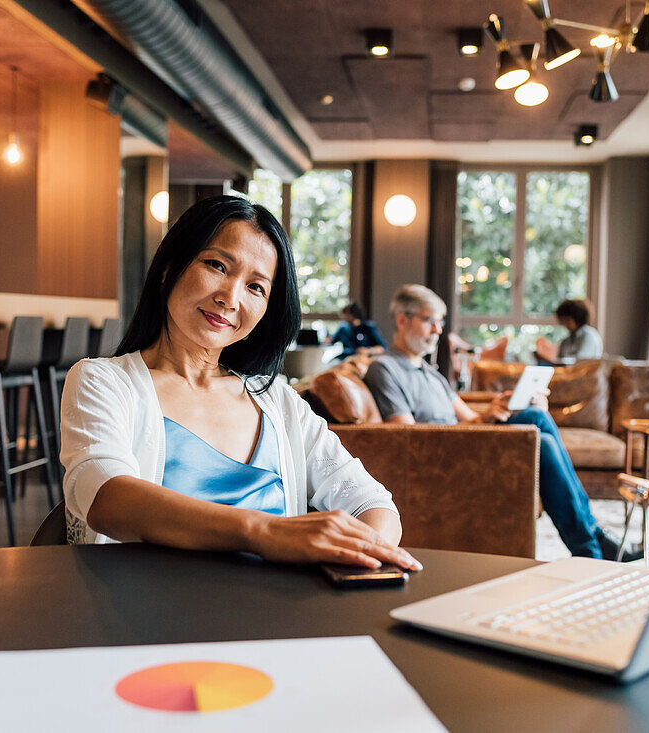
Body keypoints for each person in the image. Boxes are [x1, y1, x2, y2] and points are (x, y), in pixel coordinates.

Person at [58, 195, 420, 573]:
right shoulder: (103, 382)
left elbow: (370, 503)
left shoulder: (277, 400)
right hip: (147, 620)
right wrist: (266, 532)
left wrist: (359, 558)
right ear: (169, 267)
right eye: (217, 265)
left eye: (256, 287)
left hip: (278, 619)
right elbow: (107, 497)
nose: (229, 297)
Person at [363, 284, 643, 562]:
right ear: (403, 320)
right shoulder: (385, 369)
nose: (438, 330)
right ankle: (591, 547)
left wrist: (497, 409)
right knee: (542, 444)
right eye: (430, 321)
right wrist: (482, 420)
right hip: (441, 459)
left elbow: (469, 418)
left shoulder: (428, 372)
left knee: (536, 415)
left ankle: (590, 543)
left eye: (440, 322)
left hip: (461, 443)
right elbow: (408, 438)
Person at [534, 299, 604, 365]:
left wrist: (554, 360)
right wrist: (546, 360)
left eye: (567, 319)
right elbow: (560, 363)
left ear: (576, 317)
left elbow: (580, 362)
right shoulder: (566, 341)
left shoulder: (589, 336)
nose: (564, 323)